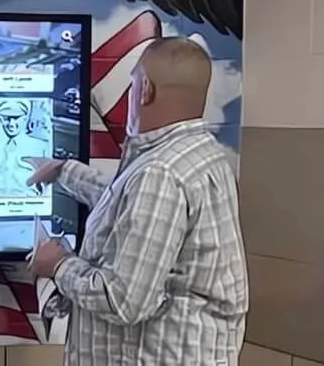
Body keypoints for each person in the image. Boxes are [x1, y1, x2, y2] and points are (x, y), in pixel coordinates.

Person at [26, 37, 248, 365]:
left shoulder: (160, 173)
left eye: (132, 84)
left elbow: (123, 300)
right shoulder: (200, 156)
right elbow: (132, 211)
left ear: (145, 89)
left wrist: (57, 265)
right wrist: (64, 171)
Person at [0, 99, 50, 196]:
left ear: (24, 118)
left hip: (26, 205)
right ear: (1, 120)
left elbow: (47, 187)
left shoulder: (40, 147)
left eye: (16, 118)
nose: (11, 124)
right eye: (7, 118)